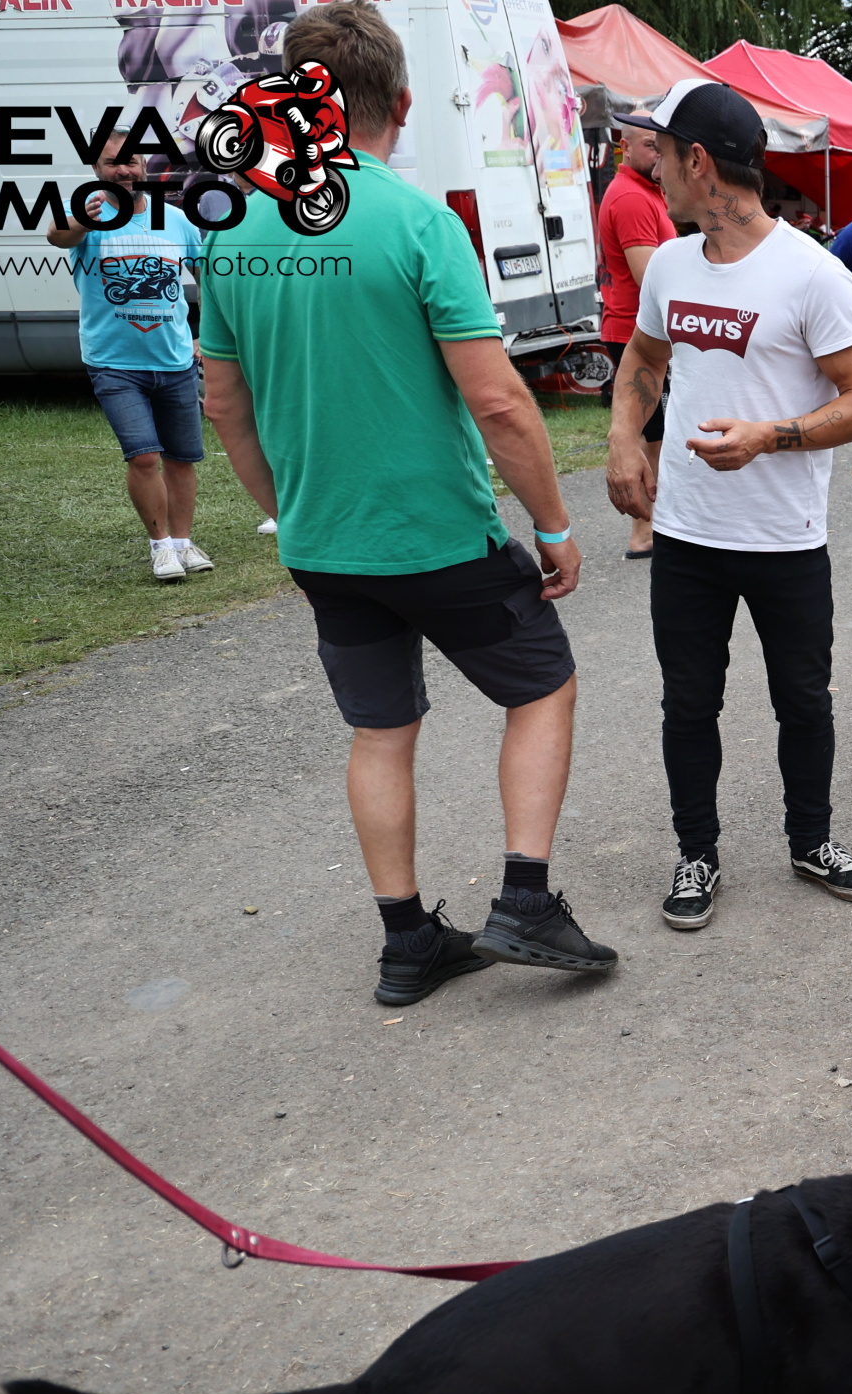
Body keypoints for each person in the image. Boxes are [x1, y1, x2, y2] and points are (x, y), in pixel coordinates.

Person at [199, 0, 616, 1003]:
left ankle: (407, 941)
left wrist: (287, 510)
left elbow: (223, 403)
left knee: (380, 730)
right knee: (542, 688)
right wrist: (554, 527)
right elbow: (499, 402)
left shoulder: (234, 231)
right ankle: (524, 901)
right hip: (435, 534)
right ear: (403, 102)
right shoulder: (420, 222)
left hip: (325, 542)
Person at [604, 80, 852, 929]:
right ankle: (697, 855)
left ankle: (812, 841)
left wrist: (771, 436)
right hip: (688, 537)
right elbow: (643, 358)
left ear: (698, 161)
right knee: (689, 704)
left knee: (803, 700)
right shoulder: (672, 265)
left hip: (784, 540)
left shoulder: (812, 273)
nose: (650, 167)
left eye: (661, 152)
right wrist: (623, 436)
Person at [46, 129, 210, 584]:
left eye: (131, 161)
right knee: (143, 458)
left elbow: (208, 281)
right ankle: (160, 547)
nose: (123, 170)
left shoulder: (176, 220)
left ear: (144, 167)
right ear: (96, 170)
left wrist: (205, 336)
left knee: (182, 459)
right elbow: (58, 236)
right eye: (112, 163)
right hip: (114, 363)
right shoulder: (86, 212)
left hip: (175, 361)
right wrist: (83, 223)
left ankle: (183, 542)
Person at [596, 113, 674, 558]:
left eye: (660, 146)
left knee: (656, 434)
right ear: (624, 147)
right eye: (649, 145)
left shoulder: (647, 192)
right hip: (634, 333)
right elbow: (650, 277)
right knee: (651, 437)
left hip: (639, 329)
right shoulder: (630, 197)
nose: (657, 154)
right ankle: (644, 533)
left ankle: (654, 527)